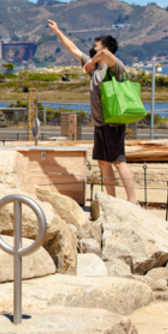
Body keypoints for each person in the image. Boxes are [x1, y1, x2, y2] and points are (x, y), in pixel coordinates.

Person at [48, 20, 138, 203]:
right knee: (103, 162)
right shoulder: (94, 68)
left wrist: (92, 61)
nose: (92, 50)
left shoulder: (115, 68)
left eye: (95, 48)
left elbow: (105, 54)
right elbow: (73, 49)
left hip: (114, 122)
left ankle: (133, 201)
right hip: (100, 124)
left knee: (119, 161)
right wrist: (58, 31)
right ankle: (112, 201)